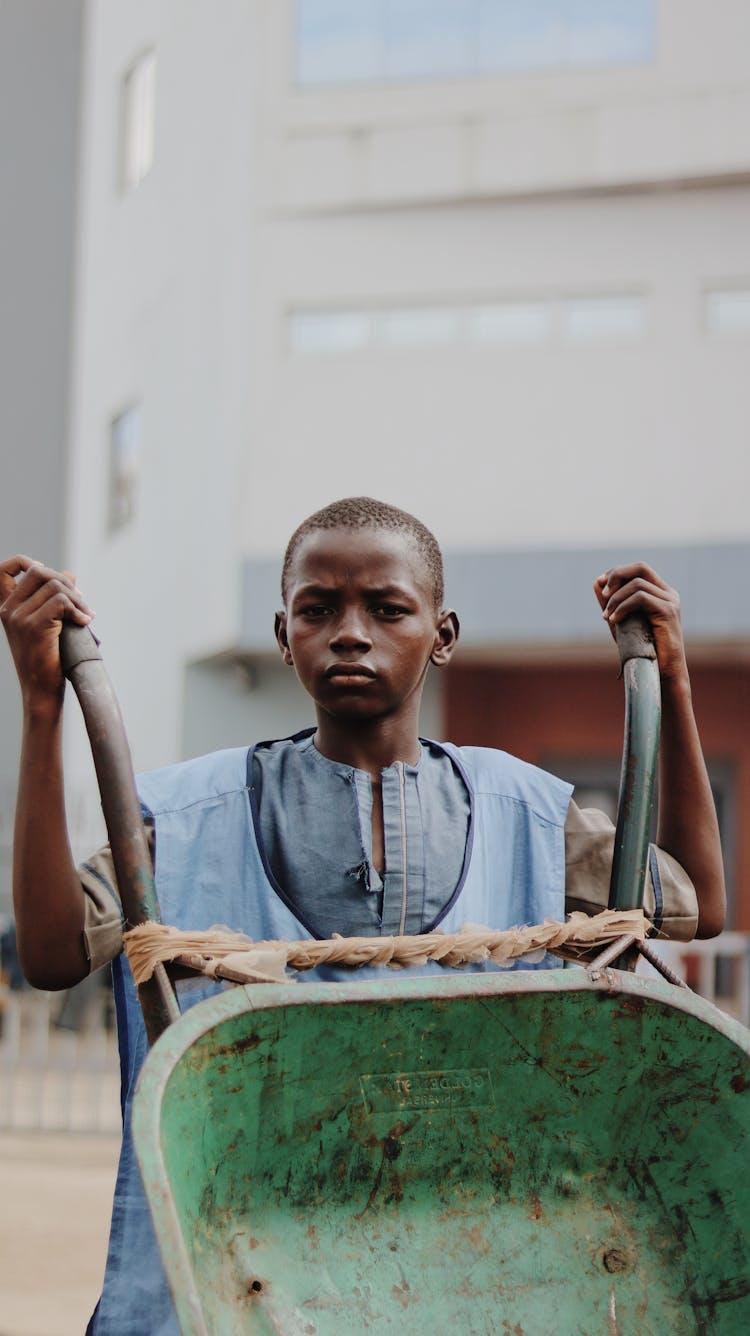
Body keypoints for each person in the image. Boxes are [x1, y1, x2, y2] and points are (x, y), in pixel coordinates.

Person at [0, 497, 725, 1334]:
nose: (350, 632)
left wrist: (671, 679)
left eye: (386, 609)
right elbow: (52, 955)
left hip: (473, 1272)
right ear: (284, 637)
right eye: (318, 610)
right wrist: (44, 708)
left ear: (442, 636)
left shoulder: (521, 812)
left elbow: (695, 904)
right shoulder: (189, 815)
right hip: (242, 1276)